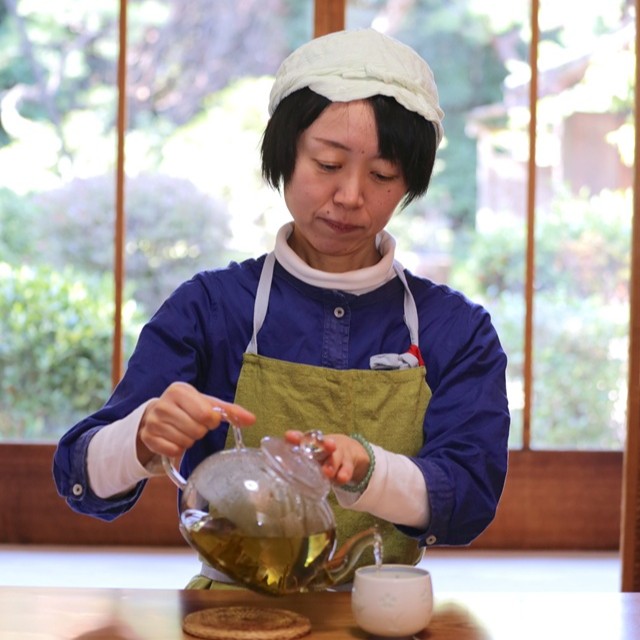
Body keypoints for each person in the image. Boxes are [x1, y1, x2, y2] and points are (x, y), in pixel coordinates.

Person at [53, 28, 510, 589]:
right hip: (228, 611)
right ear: (284, 154)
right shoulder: (211, 309)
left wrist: (369, 470)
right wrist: (142, 435)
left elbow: (470, 498)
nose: (350, 196)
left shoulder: (456, 330)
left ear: (409, 182)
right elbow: (78, 477)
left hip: (382, 613)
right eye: (327, 164)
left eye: (382, 174)